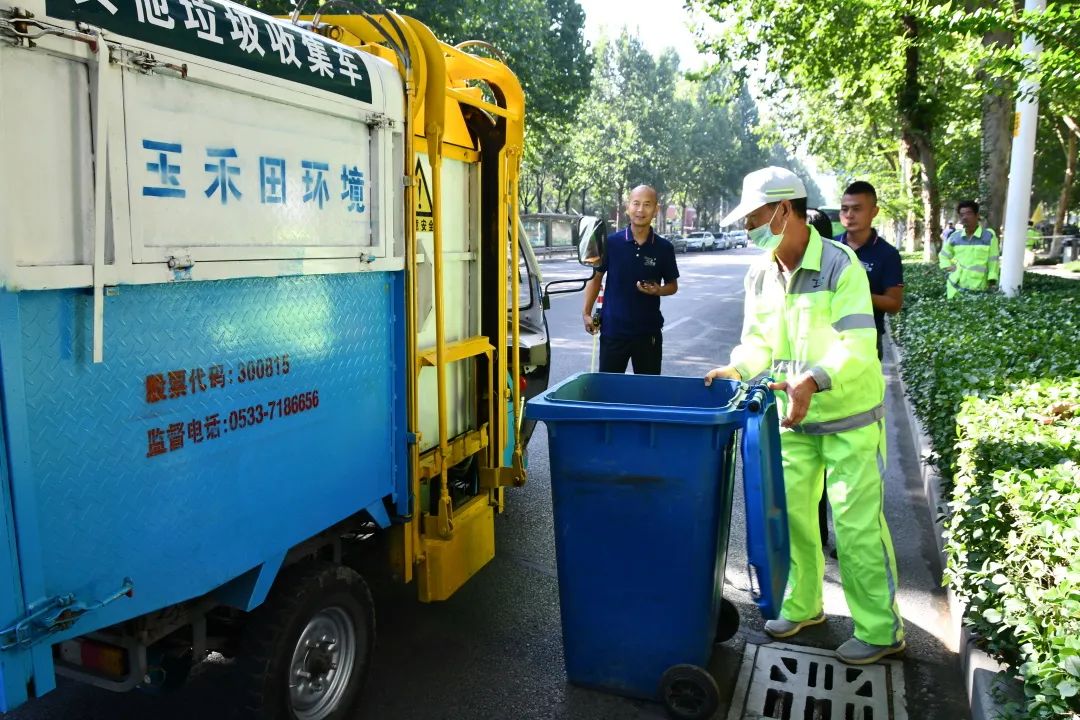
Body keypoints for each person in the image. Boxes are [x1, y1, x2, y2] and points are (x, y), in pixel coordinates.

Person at [704, 166, 904, 665]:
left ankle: (880, 629)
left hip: (848, 419)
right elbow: (758, 343)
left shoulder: (841, 266)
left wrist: (812, 378)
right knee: (794, 520)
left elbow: (859, 345)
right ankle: (803, 604)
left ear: (785, 209)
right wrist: (734, 367)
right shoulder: (760, 272)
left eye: (755, 216)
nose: (749, 227)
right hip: (792, 419)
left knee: (857, 527)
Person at [582, 185, 679, 374]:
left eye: (647, 205)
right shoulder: (610, 243)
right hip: (613, 333)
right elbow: (596, 277)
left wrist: (658, 290)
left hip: (648, 334)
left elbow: (673, 286)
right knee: (609, 393)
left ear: (656, 210)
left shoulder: (664, 248)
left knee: (646, 395)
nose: (641, 210)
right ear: (628, 207)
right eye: (636, 204)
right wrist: (586, 313)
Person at [836, 181, 904, 360]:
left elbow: (894, 304)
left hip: (867, 342)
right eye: (845, 209)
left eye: (857, 209)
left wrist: (857, 293)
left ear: (874, 212)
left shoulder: (888, 254)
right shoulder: (829, 247)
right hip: (827, 339)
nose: (849, 215)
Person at [939, 200, 999, 298]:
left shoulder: (988, 236)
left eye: (969, 213)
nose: (965, 217)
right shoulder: (955, 237)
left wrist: (992, 281)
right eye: (962, 215)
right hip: (955, 290)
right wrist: (948, 267)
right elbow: (943, 255)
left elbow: (993, 261)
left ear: (977, 215)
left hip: (978, 290)